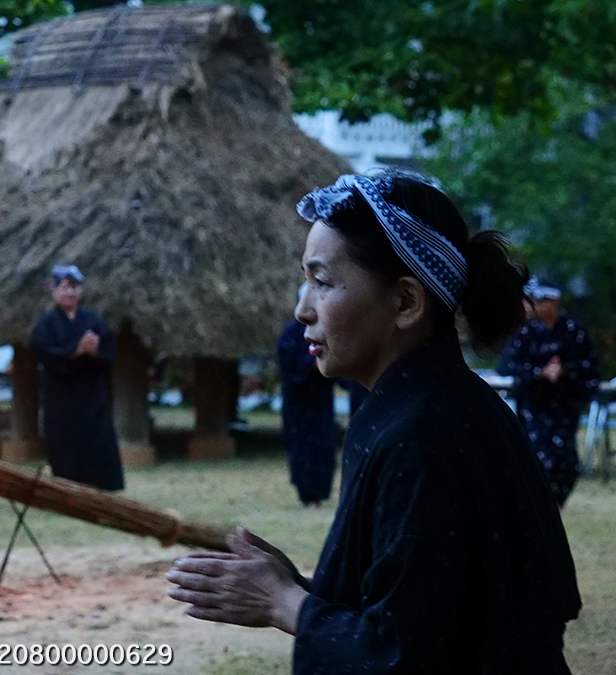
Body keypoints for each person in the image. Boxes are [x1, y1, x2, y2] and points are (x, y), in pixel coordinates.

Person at [166, 170, 581, 674]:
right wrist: (300, 589)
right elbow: (431, 609)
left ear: (405, 302)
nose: (302, 309)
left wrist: (283, 602)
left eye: (322, 282)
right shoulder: (435, 405)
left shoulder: (423, 435)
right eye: (305, 280)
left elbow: (406, 654)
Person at [498, 277, 599, 507]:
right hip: (534, 407)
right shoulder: (524, 332)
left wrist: (564, 371)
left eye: (539, 300)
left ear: (554, 301)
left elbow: (589, 367)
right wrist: (540, 373)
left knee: (566, 462)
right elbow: (508, 368)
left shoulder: (573, 330)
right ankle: (538, 507)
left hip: (565, 407)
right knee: (538, 459)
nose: (534, 305)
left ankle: (554, 506)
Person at [30, 265, 124, 491]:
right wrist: (75, 351)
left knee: (97, 439)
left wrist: (95, 351)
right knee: (66, 443)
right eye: (64, 288)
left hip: (92, 395)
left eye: (75, 288)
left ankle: (103, 487)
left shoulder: (92, 320)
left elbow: (109, 350)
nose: (70, 293)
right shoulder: (46, 325)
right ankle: (67, 488)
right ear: (53, 290)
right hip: (62, 398)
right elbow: (46, 355)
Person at [277, 284, 337, 506]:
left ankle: (320, 494)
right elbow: (289, 367)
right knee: (301, 448)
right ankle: (306, 494)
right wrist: (309, 367)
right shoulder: (290, 333)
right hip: (298, 404)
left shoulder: (328, 331)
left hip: (321, 401)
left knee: (323, 448)